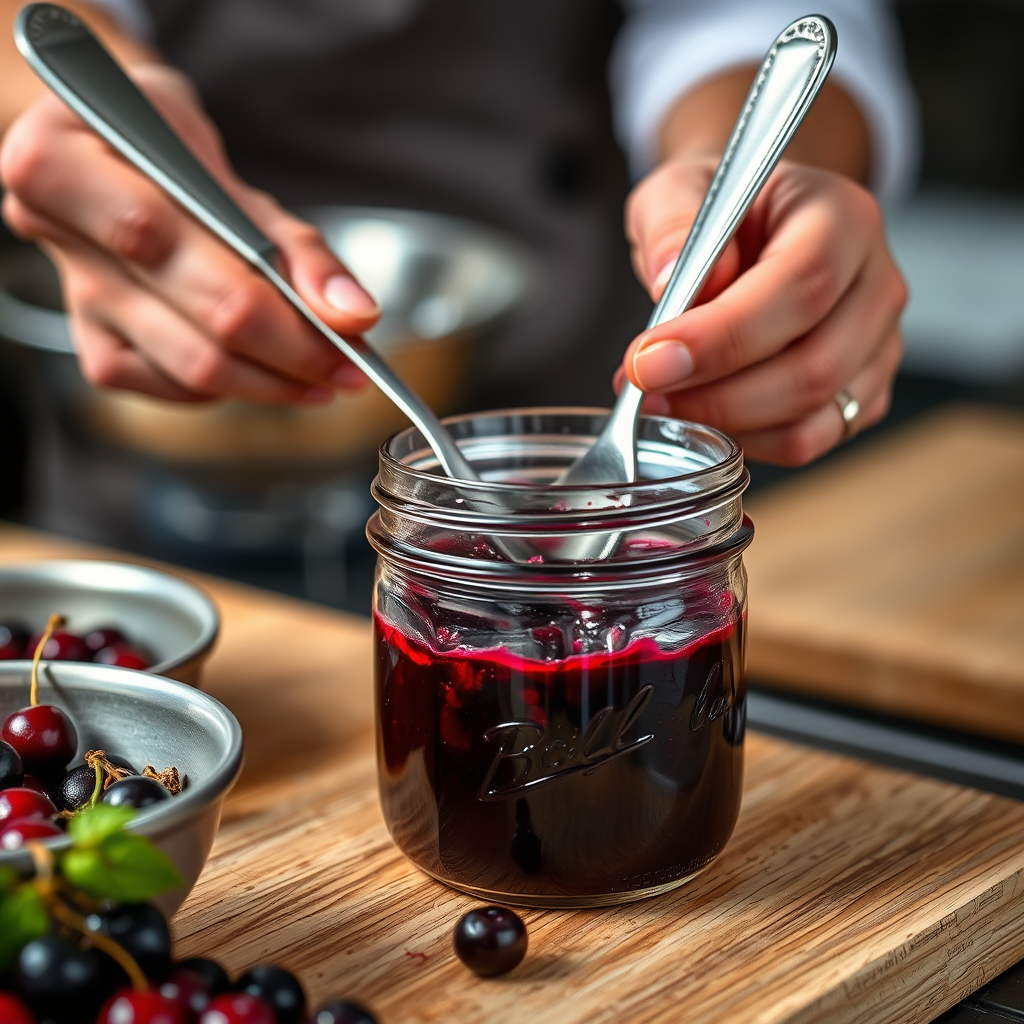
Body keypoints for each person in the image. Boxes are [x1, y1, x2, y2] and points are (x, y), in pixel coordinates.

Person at [0, 0, 913, 467]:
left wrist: (737, 193)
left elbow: (737, 14)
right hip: (156, 463)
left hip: (591, 371)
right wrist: (75, 128)